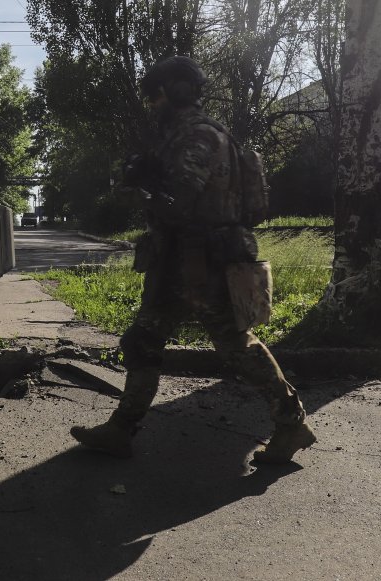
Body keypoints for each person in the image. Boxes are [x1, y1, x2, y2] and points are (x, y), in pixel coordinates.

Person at [70, 56, 316, 464]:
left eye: (156, 98)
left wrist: (140, 188)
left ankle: (292, 424)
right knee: (144, 340)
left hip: (203, 264)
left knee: (237, 347)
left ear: (175, 93)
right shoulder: (189, 135)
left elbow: (179, 205)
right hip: (181, 261)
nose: (152, 106)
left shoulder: (199, 136)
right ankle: (121, 429)